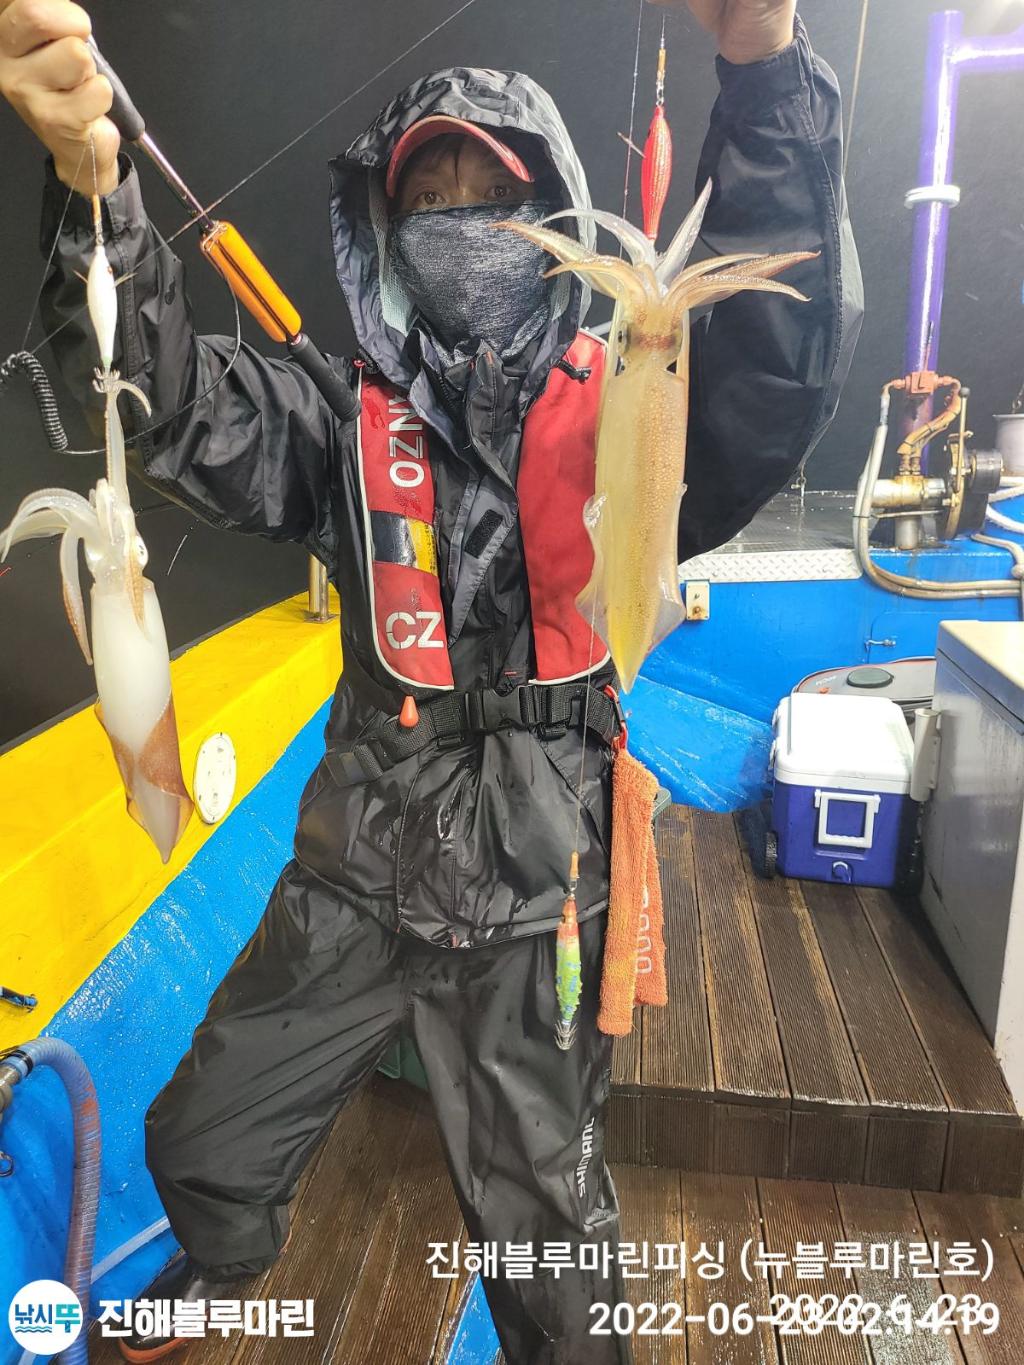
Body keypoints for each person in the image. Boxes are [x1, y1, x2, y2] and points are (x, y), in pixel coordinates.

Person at [0, 1, 862, 1360]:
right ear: (385, 233)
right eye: (429, 197)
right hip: (356, 865)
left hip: (541, 890)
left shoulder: (635, 398)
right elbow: (161, 401)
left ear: (551, 219)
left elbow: (776, 360)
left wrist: (761, 71)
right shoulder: (335, 422)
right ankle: (222, 1260)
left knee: (550, 1231)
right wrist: (91, 188)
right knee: (203, 1130)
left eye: (491, 195)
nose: (460, 224)